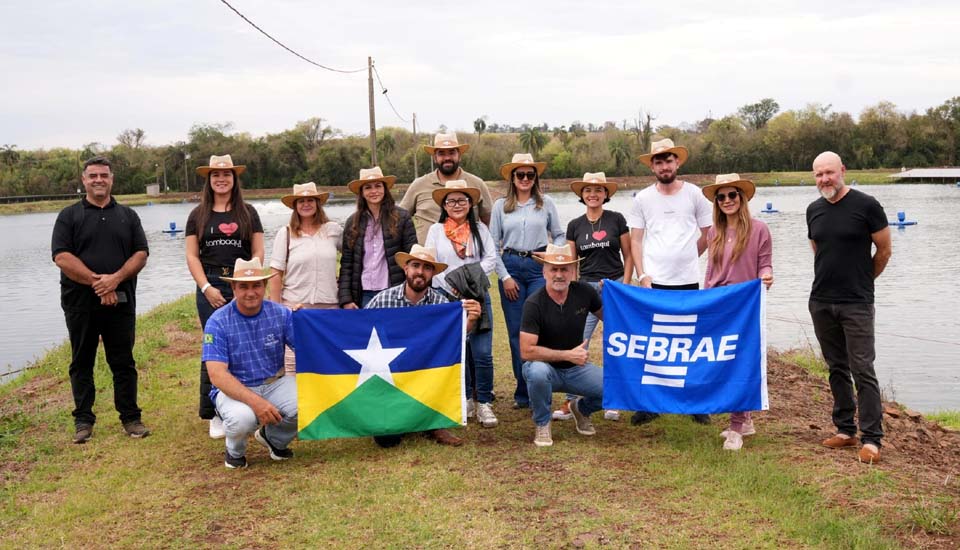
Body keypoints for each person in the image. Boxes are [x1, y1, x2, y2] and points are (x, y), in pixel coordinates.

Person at [51, 156, 150, 443]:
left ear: (111, 179)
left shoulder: (128, 216)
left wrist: (115, 279)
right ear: (83, 180)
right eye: (92, 175)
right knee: (82, 360)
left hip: (121, 301)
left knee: (123, 361)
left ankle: (131, 418)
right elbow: (62, 256)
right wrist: (99, 283)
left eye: (103, 175)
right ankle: (83, 421)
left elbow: (141, 253)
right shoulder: (68, 216)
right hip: (79, 303)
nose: (98, 180)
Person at [807, 151, 892, 465]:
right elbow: (818, 250)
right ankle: (845, 430)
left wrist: (864, 281)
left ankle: (872, 439)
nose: (825, 179)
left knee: (862, 370)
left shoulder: (867, 205)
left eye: (829, 172)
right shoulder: (813, 210)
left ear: (842, 170)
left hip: (856, 303)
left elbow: (884, 250)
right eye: (818, 175)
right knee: (836, 367)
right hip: (821, 301)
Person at [628, 138, 713, 426]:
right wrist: (643, 274)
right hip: (654, 282)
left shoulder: (695, 195)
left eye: (669, 160)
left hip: (688, 281)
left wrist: (688, 255)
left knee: (688, 342)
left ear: (677, 162)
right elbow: (636, 240)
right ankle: (651, 403)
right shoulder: (642, 199)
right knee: (654, 343)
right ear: (652, 166)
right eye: (658, 161)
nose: (664, 166)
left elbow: (708, 232)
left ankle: (694, 403)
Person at [366, 245, 481, 447]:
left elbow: (453, 345)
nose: (420, 271)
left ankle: (433, 423)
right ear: (406, 269)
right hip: (392, 376)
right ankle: (403, 419)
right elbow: (357, 332)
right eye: (416, 265)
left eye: (427, 267)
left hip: (425, 375)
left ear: (432, 273)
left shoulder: (441, 304)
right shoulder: (383, 299)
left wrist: (470, 321)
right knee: (386, 440)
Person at [185, 154, 264, 440]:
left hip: (244, 281)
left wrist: (249, 281)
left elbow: (257, 252)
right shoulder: (197, 215)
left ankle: (251, 404)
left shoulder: (248, 212)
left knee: (249, 342)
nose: (221, 179)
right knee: (215, 346)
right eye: (216, 175)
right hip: (212, 283)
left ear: (234, 179)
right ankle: (214, 412)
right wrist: (207, 287)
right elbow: (192, 256)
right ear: (209, 180)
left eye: (226, 174)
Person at [701, 173, 774, 451]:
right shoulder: (714, 232)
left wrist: (766, 276)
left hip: (745, 306)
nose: (727, 201)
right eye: (721, 197)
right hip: (719, 304)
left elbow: (765, 264)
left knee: (741, 362)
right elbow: (711, 271)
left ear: (741, 198)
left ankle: (736, 426)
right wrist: (705, 300)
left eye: (732, 195)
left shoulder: (759, 229)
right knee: (725, 360)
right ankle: (747, 420)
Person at [203, 258, 297, 469]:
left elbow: (306, 347)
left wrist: (304, 319)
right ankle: (235, 452)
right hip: (234, 387)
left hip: (274, 382)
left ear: (264, 287)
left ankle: (274, 439)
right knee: (242, 419)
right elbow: (217, 375)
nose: (250, 292)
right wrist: (257, 404)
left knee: (306, 402)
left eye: (256, 285)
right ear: (233, 287)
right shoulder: (217, 322)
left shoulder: (281, 313)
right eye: (243, 286)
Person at [553, 172, 632, 422]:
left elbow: (629, 256)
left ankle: (613, 399)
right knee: (577, 343)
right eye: (588, 190)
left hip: (614, 286)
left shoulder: (617, 219)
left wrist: (625, 287)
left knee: (616, 343)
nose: (593, 194)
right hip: (586, 289)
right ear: (581, 195)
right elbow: (572, 262)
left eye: (598, 190)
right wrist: (572, 289)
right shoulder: (575, 225)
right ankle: (570, 400)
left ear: (605, 194)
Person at [489, 153, 566, 411]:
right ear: (512, 177)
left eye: (529, 175)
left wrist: (553, 255)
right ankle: (522, 392)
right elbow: (492, 245)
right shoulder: (501, 206)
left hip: (537, 268)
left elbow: (559, 234)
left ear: (535, 178)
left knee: (538, 331)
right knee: (514, 333)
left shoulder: (546, 204)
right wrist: (506, 277)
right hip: (511, 266)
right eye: (519, 174)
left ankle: (538, 389)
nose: (524, 179)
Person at [424, 181, 499, 428]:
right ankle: (465, 398)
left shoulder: (480, 229)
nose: (457, 205)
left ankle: (485, 402)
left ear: (470, 204)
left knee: (482, 352)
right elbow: (430, 262)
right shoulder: (436, 231)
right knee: (460, 350)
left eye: (462, 201)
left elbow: (490, 258)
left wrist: (467, 278)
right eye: (451, 201)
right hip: (447, 296)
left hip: (477, 294)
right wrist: (450, 284)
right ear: (444, 205)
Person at [520, 244, 604, 447]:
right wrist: (568, 355)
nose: (559, 275)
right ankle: (542, 422)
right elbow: (526, 351)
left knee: (614, 388)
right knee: (536, 372)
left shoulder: (585, 291)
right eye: (554, 269)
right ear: (544, 272)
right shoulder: (534, 303)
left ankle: (581, 409)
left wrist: (615, 292)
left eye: (564, 269)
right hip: (545, 368)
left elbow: (610, 317)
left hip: (577, 369)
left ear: (573, 271)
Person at [268, 181, 342, 375]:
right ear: (295, 205)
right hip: (296, 308)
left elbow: (353, 258)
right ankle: (294, 403)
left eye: (311, 200)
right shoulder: (285, 234)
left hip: (329, 307)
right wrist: (276, 311)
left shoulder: (333, 230)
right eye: (301, 201)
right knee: (294, 362)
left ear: (318, 203)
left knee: (328, 358)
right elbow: (275, 273)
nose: (306, 204)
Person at [338, 167, 417, 309]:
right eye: (368, 187)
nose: (374, 191)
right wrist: (346, 299)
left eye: (378, 186)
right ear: (362, 192)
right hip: (364, 294)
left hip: (395, 291)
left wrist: (412, 292)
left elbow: (411, 258)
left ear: (385, 189)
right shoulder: (352, 222)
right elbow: (347, 264)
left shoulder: (402, 217)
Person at [399, 132, 494, 244]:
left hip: (468, 257)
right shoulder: (419, 185)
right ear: (435, 158)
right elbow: (400, 219)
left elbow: (489, 222)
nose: (447, 158)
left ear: (459, 156)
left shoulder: (477, 184)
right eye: (441, 153)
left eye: (452, 152)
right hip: (428, 258)